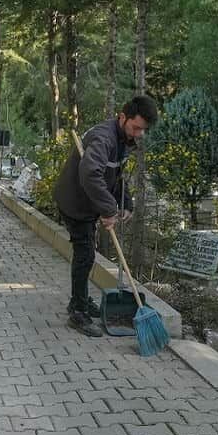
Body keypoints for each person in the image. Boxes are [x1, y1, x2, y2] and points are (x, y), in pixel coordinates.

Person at [52, 96, 158, 336]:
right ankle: (77, 311)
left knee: (87, 252)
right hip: (75, 201)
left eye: (143, 130)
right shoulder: (104, 138)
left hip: (89, 201)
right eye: (136, 127)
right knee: (85, 253)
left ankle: (80, 300)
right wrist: (108, 210)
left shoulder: (123, 139)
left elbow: (116, 175)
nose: (139, 134)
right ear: (123, 117)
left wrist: (126, 203)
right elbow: (90, 174)